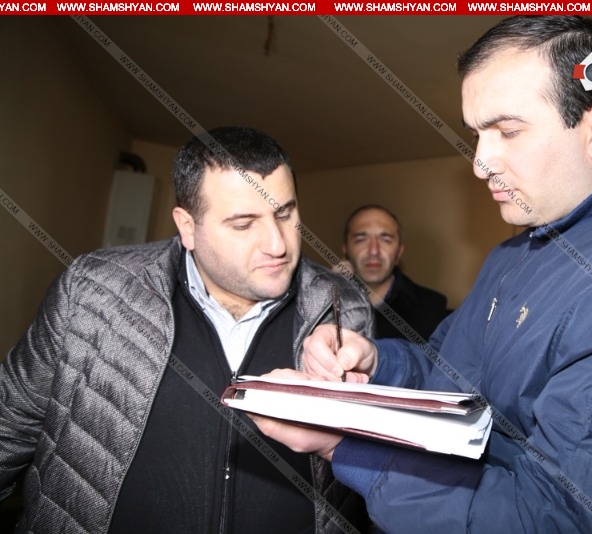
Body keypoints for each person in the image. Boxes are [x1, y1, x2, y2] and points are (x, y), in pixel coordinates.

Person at [251, 16, 592, 533]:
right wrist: (378, 363)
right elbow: (449, 378)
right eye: (476, 134)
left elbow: (565, 521)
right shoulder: (513, 254)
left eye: (508, 131)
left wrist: (347, 447)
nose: (480, 163)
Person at [0, 126, 372, 533]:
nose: (278, 244)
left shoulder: (344, 308)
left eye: (284, 214)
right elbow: (10, 426)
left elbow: (373, 473)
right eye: (243, 224)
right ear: (188, 226)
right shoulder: (92, 291)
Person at [341, 204, 448, 340]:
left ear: (399, 253)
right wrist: (330, 288)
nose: (374, 251)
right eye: (360, 240)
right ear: (346, 250)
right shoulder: (325, 302)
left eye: (386, 240)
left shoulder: (432, 307)